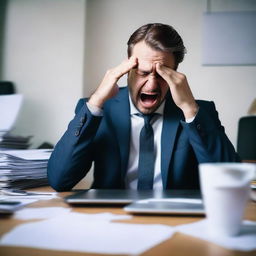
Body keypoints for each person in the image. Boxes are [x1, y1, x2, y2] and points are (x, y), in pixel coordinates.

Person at [47, 23, 239, 191]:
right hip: (111, 217)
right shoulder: (99, 110)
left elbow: (232, 181)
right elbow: (59, 180)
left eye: (163, 74)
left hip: (176, 219)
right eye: (142, 73)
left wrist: (189, 108)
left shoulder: (199, 114)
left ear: (176, 75)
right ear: (127, 70)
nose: (152, 85)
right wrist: (96, 101)